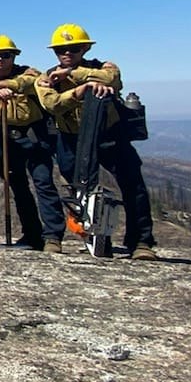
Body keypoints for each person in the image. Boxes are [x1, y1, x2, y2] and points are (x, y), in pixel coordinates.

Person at [35, 24, 156, 258]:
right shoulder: (46, 77)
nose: (67, 53)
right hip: (71, 138)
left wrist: (75, 75)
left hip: (109, 136)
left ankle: (141, 242)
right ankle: (94, 238)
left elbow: (113, 79)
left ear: (85, 49)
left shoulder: (104, 68)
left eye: (74, 48)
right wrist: (82, 90)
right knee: (77, 191)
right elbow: (52, 104)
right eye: (61, 50)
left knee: (133, 185)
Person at [0, 34, 65, 253]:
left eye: (5, 55)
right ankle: (32, 234)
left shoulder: (30, 73)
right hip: (3, 136)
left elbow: (30, 83)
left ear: (14, 56)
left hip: (33, 134)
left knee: (43, 183)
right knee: (18, 186)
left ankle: (53, 237)